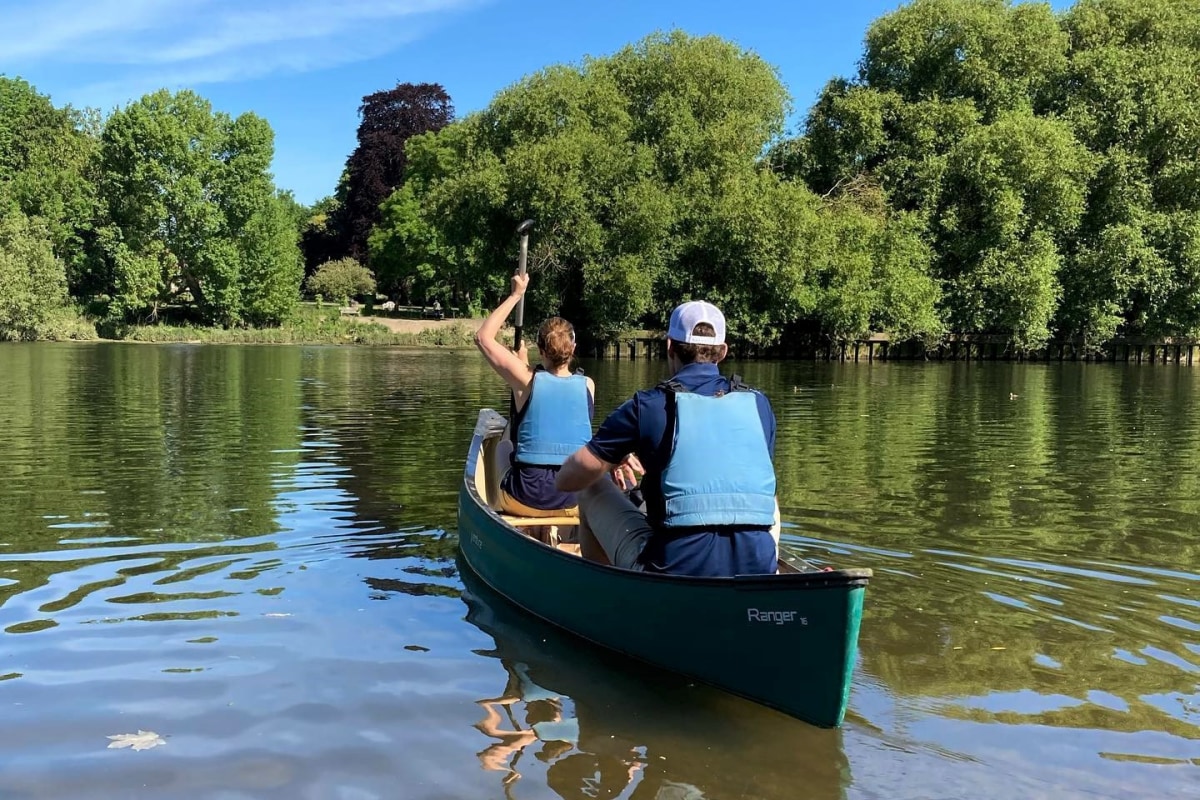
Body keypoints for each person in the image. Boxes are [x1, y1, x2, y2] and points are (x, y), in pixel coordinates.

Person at [555, 300, 779, 576]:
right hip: (756, 567)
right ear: (722, 352)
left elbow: (567, 479)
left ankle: (605, 598)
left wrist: (611, 461)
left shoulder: (647, 405)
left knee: (590, 487)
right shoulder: (759, 405)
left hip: (674, 570)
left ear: (670, 347)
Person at [475, 273, 595, 516]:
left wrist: (516, 295)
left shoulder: (526, 379)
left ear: (540, 349)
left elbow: (483, 337)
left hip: (524, 498)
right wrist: (525, 367)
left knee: (503, 445)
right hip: (572, 501)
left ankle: (498, 509)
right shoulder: (588, 386)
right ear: (573, 349)